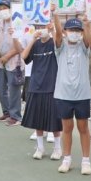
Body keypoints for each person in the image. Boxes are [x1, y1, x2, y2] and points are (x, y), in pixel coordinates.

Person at [51, 6, 91, 175]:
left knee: (83, 127)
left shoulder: (83, 48)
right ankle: (67, 158)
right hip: (63, 94)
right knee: (67, 127)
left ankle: (86, 160)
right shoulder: (60, 48)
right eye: (72, 30)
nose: (74, 33)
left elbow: (90, 42)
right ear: (66, 31)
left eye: (78, 30)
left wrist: (87, 24)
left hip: (82, 94)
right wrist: (55, 15)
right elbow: (57, 35)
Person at [18, 22, 62, 160]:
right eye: (39, 27)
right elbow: (24, 56)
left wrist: (53, 30)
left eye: (43, 27)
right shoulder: (35, 44)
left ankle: (57, 148)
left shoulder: (52, 42)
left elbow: (59, 47)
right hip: (36, 85)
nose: (41, 30)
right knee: (37, 120)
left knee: (54, 120)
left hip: (52, 86)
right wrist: (33, 39)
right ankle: (40, 148)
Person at [0, 0, 23, 126]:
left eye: (5, 8)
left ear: (10, 9)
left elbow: (19, 47)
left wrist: (7, 56)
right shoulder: (0, 23)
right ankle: (6, 112)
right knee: (0, 88)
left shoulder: (17, 22)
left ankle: (16, 116)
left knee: (14, 88)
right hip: (1, 61)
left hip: (14, 61)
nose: (2, 10)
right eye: (0, 8)